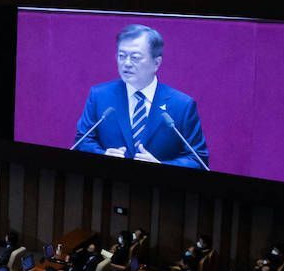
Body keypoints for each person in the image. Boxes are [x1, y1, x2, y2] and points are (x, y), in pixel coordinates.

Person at [72, 23, 210, 168]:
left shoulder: (182, 105)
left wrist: (161, 166)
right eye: (121, 56)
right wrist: (103, 156)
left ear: (156, 63)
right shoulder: (99, 96)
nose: (126, 63)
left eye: (135, 57)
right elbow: (82, 141)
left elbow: (198, 160)